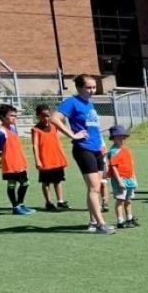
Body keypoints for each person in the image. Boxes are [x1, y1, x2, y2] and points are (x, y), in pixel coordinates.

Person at [50, 74, 114, 234]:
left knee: (95, 187)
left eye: (94, 87)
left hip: (96, 148)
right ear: (79, 88)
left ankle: (93, 221)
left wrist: (102, 144)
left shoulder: (89, 104)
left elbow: (94, 128)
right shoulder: (72, 102)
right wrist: (72, 135)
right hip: (83, 149)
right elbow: (55, 119)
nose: (92, 90)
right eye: (89, 87)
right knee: (94, 188)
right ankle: (101, 224)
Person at [0, 104, 33, 215]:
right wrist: (4, 159)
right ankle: (15, 207)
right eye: (11, 115)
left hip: (19, 161)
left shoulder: (13, 127)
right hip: (10, 163)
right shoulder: (1, 131)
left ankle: (20, 204)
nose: (14, 118)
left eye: (15, 115)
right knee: (12, 184)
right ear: (2, 117)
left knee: (25, 183)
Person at [30, 103, 70, 211]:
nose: (46, 118)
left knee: (58, 181)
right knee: (46, 182)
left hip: (56, 158)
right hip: (45, 160)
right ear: (38, 116)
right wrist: (37, 160)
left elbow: (57, 142)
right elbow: (35, 145)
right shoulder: (35, 129)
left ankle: (60, 201)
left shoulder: (54, 126)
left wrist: (63, 156)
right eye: (43, 116)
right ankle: (48, 202)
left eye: (48, 115)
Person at [106, 125, 139, 229]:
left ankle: (129, 218)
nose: (122, 139)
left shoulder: (126, 149)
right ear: (113, 138)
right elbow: (114, 167)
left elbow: (131, 165)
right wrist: (119, 181)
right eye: (118, 137)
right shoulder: (113, 151)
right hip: (120, 180)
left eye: (123, 137)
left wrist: (134, 178)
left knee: (128, 200)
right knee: (120, 200)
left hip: (129, 179)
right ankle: (120, 220)